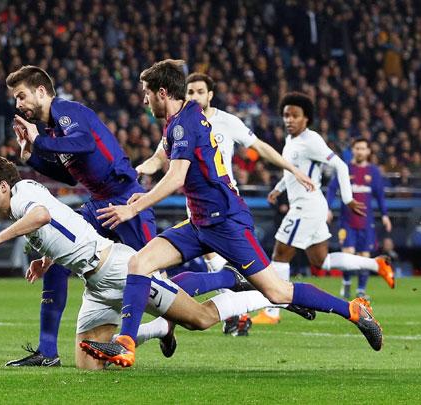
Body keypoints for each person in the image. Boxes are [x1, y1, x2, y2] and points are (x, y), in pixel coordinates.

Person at [79, 60, 384, 368]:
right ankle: (126, 344)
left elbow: (176, 177)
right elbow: (163, 160)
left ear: (161, 92)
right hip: (200, 222)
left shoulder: (185, 124)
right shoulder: (179, 120)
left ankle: (354, 309)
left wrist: (133, 207)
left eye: (146, 93)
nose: (143, 100)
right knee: (139, 263)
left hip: (226, 222)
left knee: (277, 291)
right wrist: (137, 177)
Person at [0, 156, 303, 369]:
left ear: (4, 186)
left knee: (199, 319)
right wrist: (47, 260)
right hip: (94, 284)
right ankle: (159, 328)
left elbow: (44, 215)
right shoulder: (23, 195)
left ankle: (265, 293)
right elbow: (63, 224)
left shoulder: (23, 198)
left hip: (116, 268)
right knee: (88, 366)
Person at [6, 65, 241, 366]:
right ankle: (47, 352)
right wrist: (31, 154)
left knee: (155, 281)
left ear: (41, 92)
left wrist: (39, 140)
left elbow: (84, 143)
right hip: (98, 204)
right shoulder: (53, 129)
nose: (19, 105)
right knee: (56, 263)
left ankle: (226, 278)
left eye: (21, 96)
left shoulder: (66, 111)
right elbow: (67, 176)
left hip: (125, 199)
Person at [136, 72, 315, 335]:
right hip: (196, 208)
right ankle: (244, 310)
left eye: (199, 92)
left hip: (224, 207)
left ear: (210, 95)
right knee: (213, 267)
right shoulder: (178, 124)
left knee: (225, 272)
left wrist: (293, 170)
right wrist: (138, 171)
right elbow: (158, 158)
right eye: (190, 92)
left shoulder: (226, 122)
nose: (194, 96)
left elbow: (261, 147)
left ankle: (264, 300)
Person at [258, 93, 395, 324]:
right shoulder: (292, 140)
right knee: (321, 261)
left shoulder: (311, 140)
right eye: (286, 115)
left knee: (280, 254)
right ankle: (376, 264)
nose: (289, 120)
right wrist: (279, 188)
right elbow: (294, 169)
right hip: (310, 205)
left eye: (295, 115)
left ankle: (272, 312)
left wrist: (348, 199)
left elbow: (341, 165)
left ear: (306, 119)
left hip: (306, 206)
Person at [327, 138, 391, 300]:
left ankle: (361, 290)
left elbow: (380, 196)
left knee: (364, 257)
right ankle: (347, 282)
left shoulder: (374, 172)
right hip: (347, 221)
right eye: (357, 148)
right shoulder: (344, 169)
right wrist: (327, 208)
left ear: (368, 151)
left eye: (363, 148)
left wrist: (385, 216)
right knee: (348, 253)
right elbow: (332, 189)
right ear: (353, 150)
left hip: (366, 222)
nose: (360, 151)